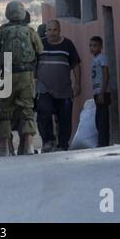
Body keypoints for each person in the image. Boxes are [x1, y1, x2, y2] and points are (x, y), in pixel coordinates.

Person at [0, 1, 43, 156]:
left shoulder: (2, 32)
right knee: (27, 110)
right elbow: (40, 50)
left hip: (7, 75)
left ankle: (5, 148)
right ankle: (29, 146)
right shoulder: (30, 31)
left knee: (5, 111)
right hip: (26, 76)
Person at [36, 19, 81, 152]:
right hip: (44, 88)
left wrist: (78, 83)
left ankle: (62, 144)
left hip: (64, 89)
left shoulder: (67, 45)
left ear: (59, 30)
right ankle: (48, 141)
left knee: (65, 117)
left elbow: (76, 65)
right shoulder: (40, 45)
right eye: (49, 30)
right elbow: (34, 65)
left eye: (55, 30)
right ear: (46, 31)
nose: (52, 33)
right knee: (44, 112)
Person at [90, 36, 111, 147]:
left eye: (95, 45)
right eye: (91, 46)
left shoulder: (102, 58)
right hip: (97, 92)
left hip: (103, 92)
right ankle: (101, 141)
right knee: (98, 118)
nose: (92, 48)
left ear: (101, 47)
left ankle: (104, 143)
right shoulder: (94, 59)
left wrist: (102, 92)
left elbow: (106, 75)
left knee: (103, 119)